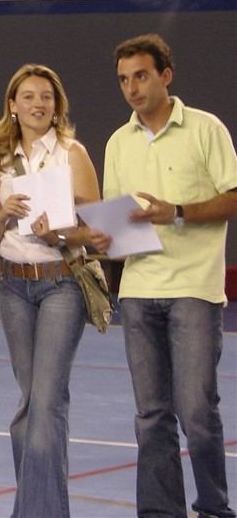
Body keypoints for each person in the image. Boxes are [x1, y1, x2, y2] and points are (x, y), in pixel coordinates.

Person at [103, 33, 237, 518]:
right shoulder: (118, 142)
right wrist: (103, 240)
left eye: (140, 75)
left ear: (165, 75)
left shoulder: (206, 129)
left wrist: (176, 211)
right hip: (139, 293)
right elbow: (118, 219)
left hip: (195, 292)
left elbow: (233, 196)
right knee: (151, 416)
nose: (132, 88)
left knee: (197, 412)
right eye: (123, 80)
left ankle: (215, 508)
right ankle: (160, 512)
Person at [0, 64, 104, 518]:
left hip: (61, 286)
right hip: (11, 287)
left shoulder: (72, 154)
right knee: (29, 410)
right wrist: (4, 216)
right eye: (28, 96)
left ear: (57, 105)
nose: (37, 104)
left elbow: (94, 229)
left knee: (46, 405)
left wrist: (62, 235)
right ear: (12, 105)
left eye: (46, 96)